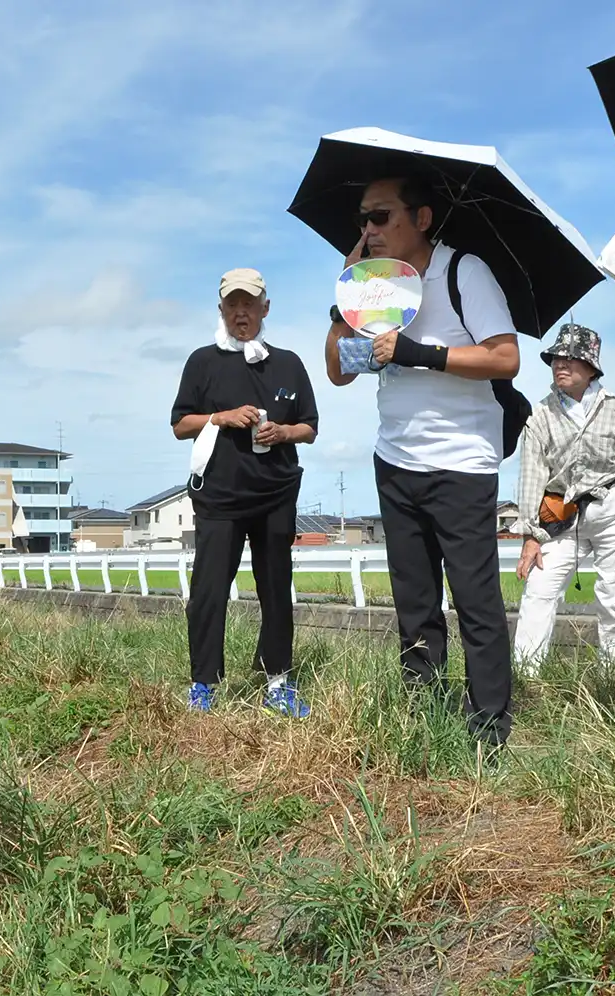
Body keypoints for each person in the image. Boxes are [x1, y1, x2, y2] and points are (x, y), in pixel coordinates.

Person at [322, 176, 521, 747]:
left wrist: (420, 354)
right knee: (413, 598)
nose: (369, 230)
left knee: (474, 597)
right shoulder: (374, 286)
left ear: (423, 217)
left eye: (381, 217)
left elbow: (505, 358)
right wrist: (346, 293)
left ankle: (488, 726)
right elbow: (338, 370)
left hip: (461, 460)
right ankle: (423, 714)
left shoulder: (463, 272)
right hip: (396, 457)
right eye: (363, 219)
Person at [173, 268, 319, 717]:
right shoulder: (203, 362)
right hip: (219, 497)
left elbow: (310, 428)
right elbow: (180, 425)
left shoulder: (289, 363)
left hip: (275, 492)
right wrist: (220, 417)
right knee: (209, 590)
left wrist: (284, 431)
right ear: (221, 310)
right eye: (233, 304)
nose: (242, 313)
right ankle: (203, 684)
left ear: (265, 309)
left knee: (276, 587)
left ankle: (277, 680)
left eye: (249, 304)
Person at [513, 324, 615, 673]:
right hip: (562, 513)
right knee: (540, 588)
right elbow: (532, 474)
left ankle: (614, 675)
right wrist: (530, 535)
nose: (561, 365)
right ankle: (526, 675)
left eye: (571, 359)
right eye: (556, 358)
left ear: (591, 368)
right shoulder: (540, 415)